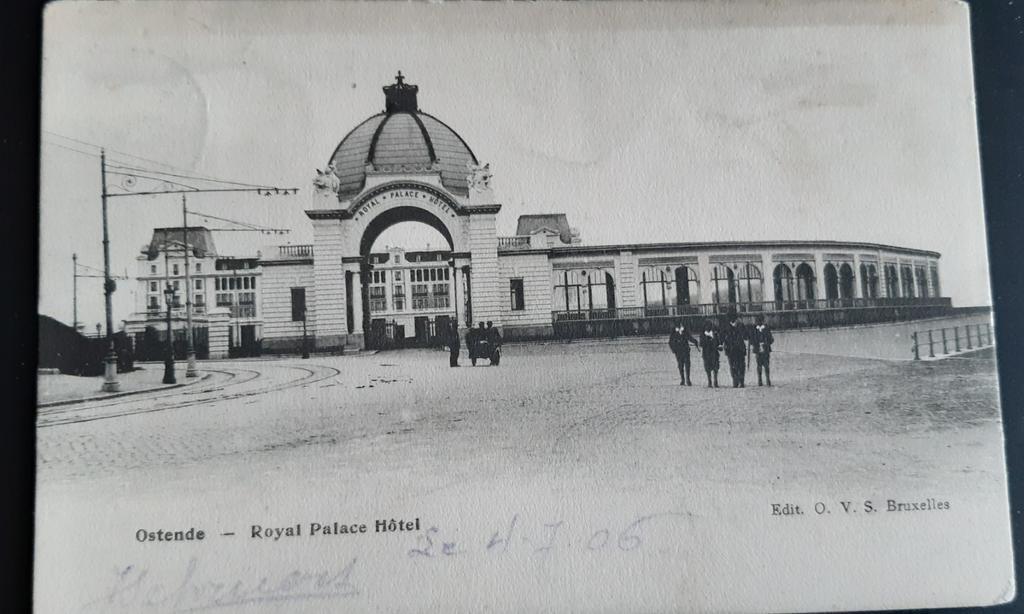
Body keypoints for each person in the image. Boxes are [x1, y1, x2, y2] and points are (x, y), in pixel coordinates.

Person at [722, 311, 749, 388]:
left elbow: (746, 336)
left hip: (739, 349)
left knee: (741, 365)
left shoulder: (740, 325)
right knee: (733, 366)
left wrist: (748, 332)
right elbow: (722, 336)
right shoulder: (726, 326)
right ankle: (735, 381)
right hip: (731, 349)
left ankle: (741, 381)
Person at [668, 320, 698, 386]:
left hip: (685, 349)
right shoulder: (673, 331)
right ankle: (683, 379)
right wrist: (673, 349)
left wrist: (694, 341)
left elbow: (689, 337)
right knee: (680, 365)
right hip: (678, 351)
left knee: (687, 364)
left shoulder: (684, 330)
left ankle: (688, 379)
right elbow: (670, 341)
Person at [750, 314, 774, 386]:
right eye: (758, 321)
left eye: (760, 321)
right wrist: (756, 344)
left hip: (765, 349)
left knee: (766, 365)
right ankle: (760, 380)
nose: (759, 322)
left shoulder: (766, 329)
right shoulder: (754, 329)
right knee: (759, 365)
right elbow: (752, 340)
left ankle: (767, 379)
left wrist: (766, 343)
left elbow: (771, 339)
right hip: (758, 350)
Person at [698, 319, 722, 388]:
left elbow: (718, 342)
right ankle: (709, 381)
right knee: (708, 368)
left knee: (715, 368)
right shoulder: (702, 334)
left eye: (709, 326)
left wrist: (719, 346)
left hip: (714, 353)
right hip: (706, 353)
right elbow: (701, 344)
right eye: (706, 326)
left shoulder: (715, 334)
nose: (708, 327)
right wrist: (708, 340)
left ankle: (715, 381)